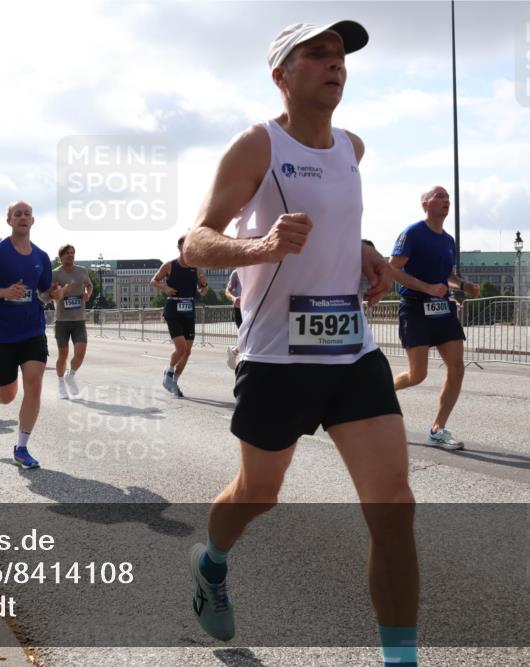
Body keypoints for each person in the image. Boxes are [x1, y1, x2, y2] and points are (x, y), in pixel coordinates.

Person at [181, 21, 418, 667]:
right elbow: (195, 242)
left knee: (394, 506)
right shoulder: (256, 144)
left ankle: (401, 658)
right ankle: (212, 560)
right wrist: (256, 248)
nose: (333, 64)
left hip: (350, 350)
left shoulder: (353, 148)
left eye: (339, 55)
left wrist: (364, 250)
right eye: (316, 54)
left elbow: (339, 222)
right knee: (258, 493)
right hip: (277, 355)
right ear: (281, 75)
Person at [0, 200, 59, 469]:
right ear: (9, 220)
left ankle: (21, 447)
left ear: (33, 221)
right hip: (0, 333)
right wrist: (4, 292)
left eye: (27, 214)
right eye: (17, 214)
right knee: (7, 395)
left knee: (34, 384)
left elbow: (44, 292)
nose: (23, 217)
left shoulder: (41, 257)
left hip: (32, 330)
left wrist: (54, 294)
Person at [390, 186, 480, 451]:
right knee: (417, 375)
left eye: (448, 198)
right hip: (415, 307)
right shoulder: (412, 233)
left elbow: (447, 276)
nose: (446, 201)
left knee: (457, 368)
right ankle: (374, 394)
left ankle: (438, 429)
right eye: (439, 197)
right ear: (425, 204)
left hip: (442, 309)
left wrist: (463, 285)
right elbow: (392, 270)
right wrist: (426, 287)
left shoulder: (448, 240)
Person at [150, 235, 209, 397]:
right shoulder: (169, 265)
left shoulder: (197, 268)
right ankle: (168, 371)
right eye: (186, 245)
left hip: (189, 309)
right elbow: (153, 281)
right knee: (181, 348)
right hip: (173, 310)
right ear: (179, 247)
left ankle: (174, 382)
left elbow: (203, 291)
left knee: (187, 352)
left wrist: (204, 285)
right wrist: (165, 289)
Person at [52, 243, 94, 399]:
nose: (71, 255)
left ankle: (71, 375)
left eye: (73, 252)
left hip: (79, 319)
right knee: (63, 354)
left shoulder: (82, 271)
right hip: (62, 320)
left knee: (81, 352)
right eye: (67, 253)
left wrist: (87, 294)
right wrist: (60, 292)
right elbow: (52, 294)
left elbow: (90, 286)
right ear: (61, 257)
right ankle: (61, 382)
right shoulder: (55, 274)